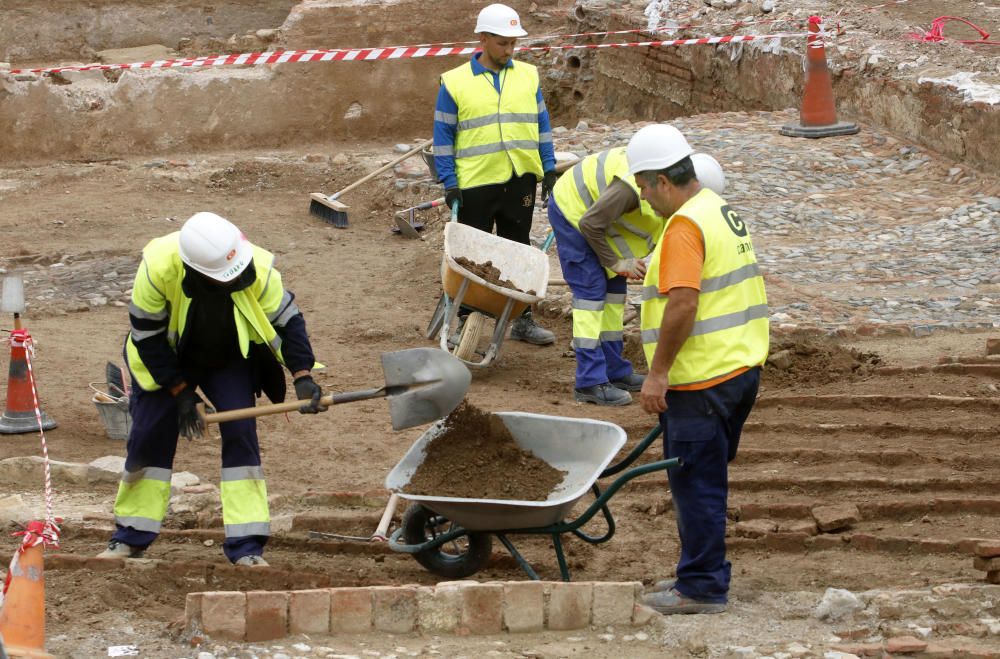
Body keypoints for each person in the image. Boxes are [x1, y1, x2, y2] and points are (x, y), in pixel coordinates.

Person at [97, 212, 326, 566]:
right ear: (199, 274)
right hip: (166, 359)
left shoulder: (256, 265)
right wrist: (180, 391)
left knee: (241, 433)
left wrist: (302, 375)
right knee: (148, 438)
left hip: (227, 357)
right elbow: (147, 337)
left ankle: (247, 546)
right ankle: (129, 536)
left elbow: (288, 322)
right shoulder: (158, 268)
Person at [628, 124, 768, 614]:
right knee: (704, 478)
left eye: (644, 186)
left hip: (702, 379)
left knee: (697, 484)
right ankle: (699, 572)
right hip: (739, 367)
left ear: (664, 181)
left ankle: (702, 587)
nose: (643, 197)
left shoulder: (685, 225)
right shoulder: (717, 209)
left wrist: (658, 372)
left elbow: (684, 303)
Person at [548, 148, 726, 406]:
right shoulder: (633, 189)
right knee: (591, 293)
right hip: (574, 213)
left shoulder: (674, 195)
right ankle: (589, 382)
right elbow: (590, 223)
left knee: (614, 293)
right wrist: (616, 261)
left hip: (604, 222)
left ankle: (614, 371)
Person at [433, 2, 557, 346]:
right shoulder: (455, 83)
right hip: (475, 181)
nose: (509, 50)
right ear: (483, 39)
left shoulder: (528, 76)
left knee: (518, 249)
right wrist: (449, 182)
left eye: (513, 43)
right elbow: (443, 137)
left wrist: (548, 168)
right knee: (470, 257)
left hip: (520, 179)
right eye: (503, 43)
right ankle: (458, 319)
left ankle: (522, 319)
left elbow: (541, 126)